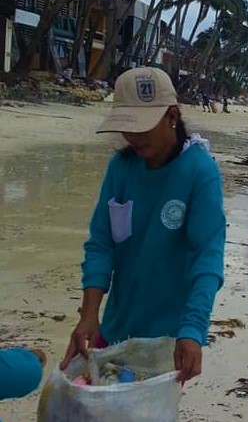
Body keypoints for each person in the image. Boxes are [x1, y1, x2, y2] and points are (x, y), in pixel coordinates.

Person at [60, 67, 225, 384]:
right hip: (114, 328)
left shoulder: (200, 172)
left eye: (142, 127)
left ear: (172, 117)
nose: (133, 137)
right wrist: (89, 315)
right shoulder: (120, 168)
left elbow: (207, 257)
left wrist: (193, 329)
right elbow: (101, 244)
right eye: (127, 127)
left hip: (166, 342)